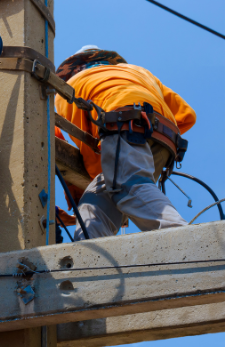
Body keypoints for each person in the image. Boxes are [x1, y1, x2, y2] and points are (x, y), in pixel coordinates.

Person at [55, 46, 196, 241]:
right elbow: (187, 116)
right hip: (167, 141)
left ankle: (191, 242)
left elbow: (48, 135)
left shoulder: (68, 88)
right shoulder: (140, 72)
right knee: (95, 200)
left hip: (123, 126)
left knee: (128, 186)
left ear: (74, 69)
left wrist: (74, 193)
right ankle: (86, 259)